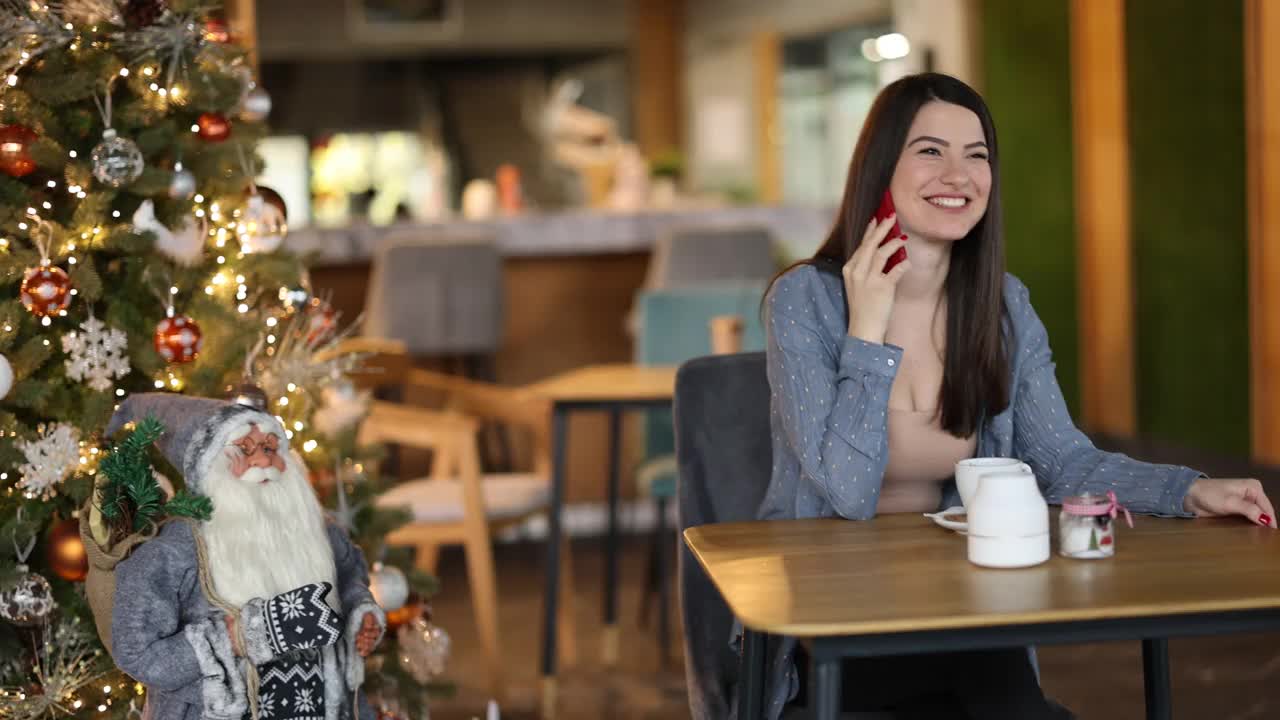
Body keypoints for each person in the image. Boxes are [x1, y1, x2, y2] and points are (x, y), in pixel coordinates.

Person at [759, 72, 1276, 719]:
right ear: (878, 166)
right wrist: (868, 331)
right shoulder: (804, 300)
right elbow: (846, 490)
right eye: (930, 151)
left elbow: (1063, 461)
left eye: (977, 155)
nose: (958, 174)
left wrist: (1190, 489)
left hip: (967, 605)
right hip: (835, 614)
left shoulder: (1002, 306)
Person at [107, 394, 386, 720]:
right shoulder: (180, 548)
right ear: (209, 466)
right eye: (244, 450)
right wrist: (239, 636)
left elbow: (350, 576)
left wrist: (360, 613)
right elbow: (137, 652)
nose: (263, 462)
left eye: (270, 448)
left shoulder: (317, 531)